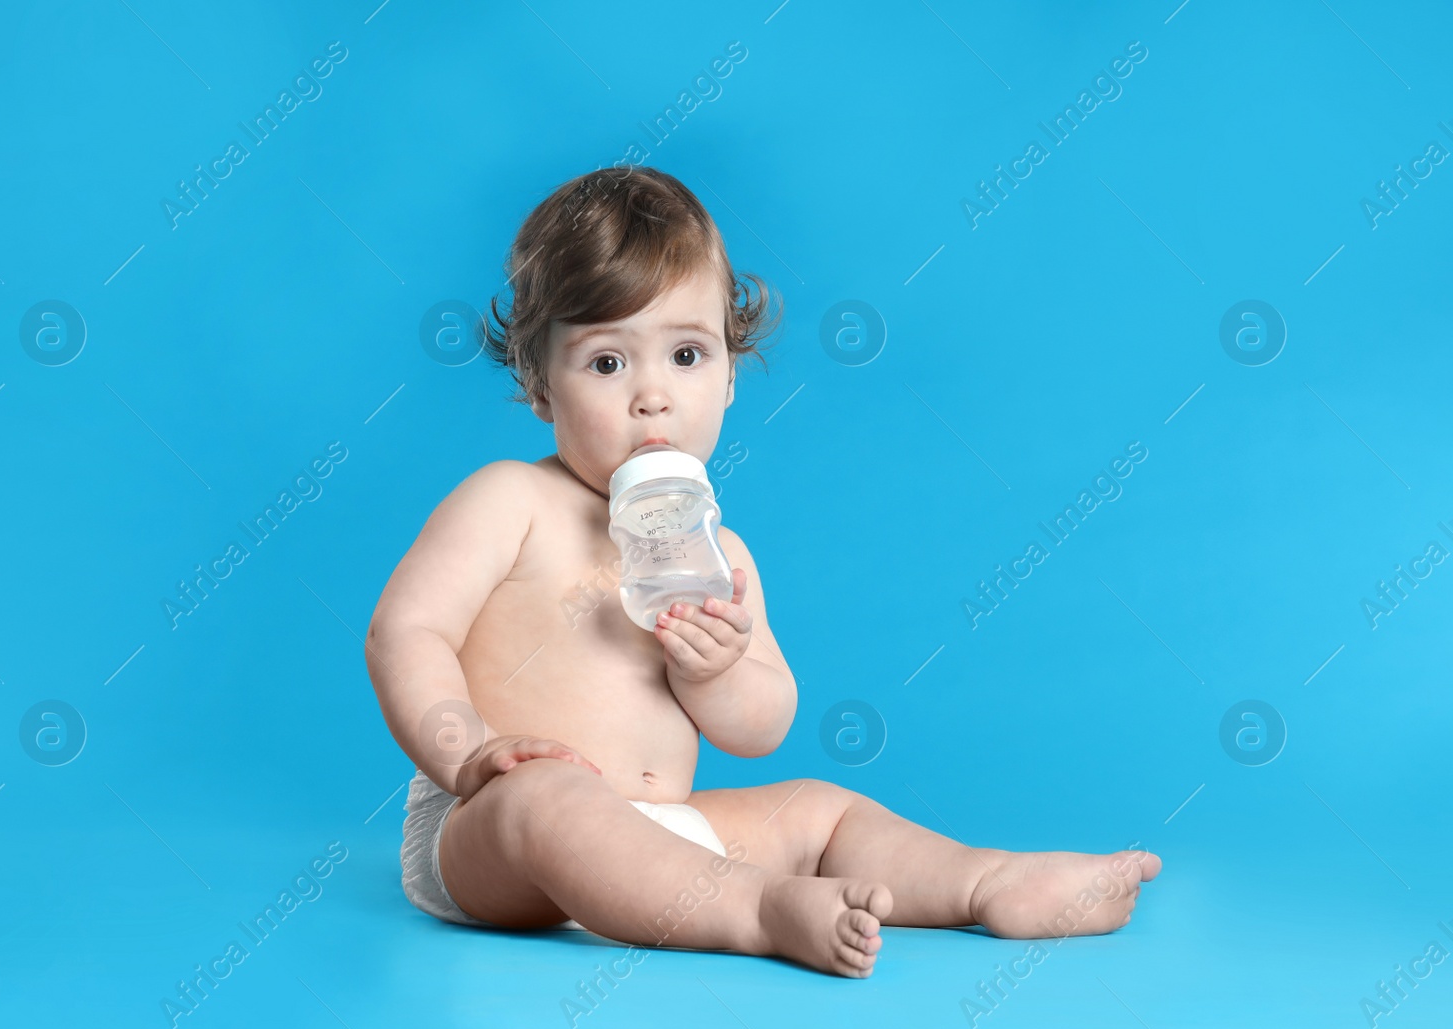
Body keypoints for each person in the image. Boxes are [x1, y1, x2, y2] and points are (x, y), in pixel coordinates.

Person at [364, 165, 1160, 977]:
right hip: (492, 831)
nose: (652, 397)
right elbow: (406, 630)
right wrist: (468, 752)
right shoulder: (511, 500)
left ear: (732, 374)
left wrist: (714, 673)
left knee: (819, 809)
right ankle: (755, 909)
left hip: (660, 833)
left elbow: (760, 727)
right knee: (547, 800)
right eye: (607, 363)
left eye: (685, 354)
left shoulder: (722, 552)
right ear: (540, 386)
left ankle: (988, 881)